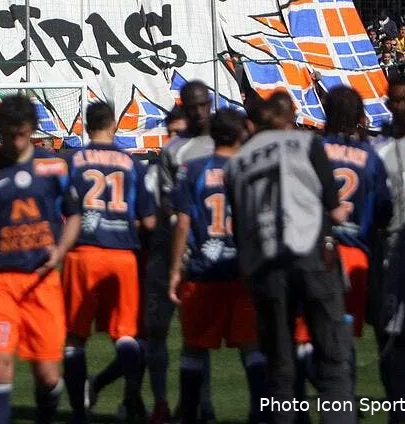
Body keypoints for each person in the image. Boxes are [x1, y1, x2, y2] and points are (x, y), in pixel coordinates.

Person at [225, 91, 354, 424]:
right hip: (311, 251)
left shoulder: (237, 161)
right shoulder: (305, 143)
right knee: (332, 361)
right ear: (288, 117)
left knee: (280, 369)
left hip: (266, 263)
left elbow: (238, 226)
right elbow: (332, 203)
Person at [0, 94, 83, 424]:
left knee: (48, 374)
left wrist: (60, 249)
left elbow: (75, 215)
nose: (16, 140)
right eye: (9, 134)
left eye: (23, 133)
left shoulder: (53, 166)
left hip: (42, 281)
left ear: (33, 130)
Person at [293, 87, 392, 405]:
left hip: (316, 249)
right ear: (360, 117)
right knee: (343, 334)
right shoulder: (371, 156)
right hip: (356, 252)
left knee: (305, 332)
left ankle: (315, 392)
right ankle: (342, 397)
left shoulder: (314, 149)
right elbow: (383, 208)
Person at [169, 108, 266, 424]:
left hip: (202, 270)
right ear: (241, 134)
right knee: (252, 347)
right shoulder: (252, 169)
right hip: (243, 272)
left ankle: (190, 412)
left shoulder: (192, 168)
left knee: (194, 348)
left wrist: (174, 269)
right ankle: (260, 412)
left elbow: (182, 222)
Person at [62, 102, 157, 424]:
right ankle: (132, 399)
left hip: (82, 254)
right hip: (122, 256)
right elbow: (149, 221)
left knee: (75, 338)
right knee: (127, 335)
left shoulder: (73, 161)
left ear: (87, 126)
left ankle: (78, 412)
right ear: (114, 125)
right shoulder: (131, 164)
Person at [142, 80, 215, 424]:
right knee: (155, 331)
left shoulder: (225, 143)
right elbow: (167, 206)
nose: (199, 112)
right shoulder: (173, 152)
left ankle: (205, 406)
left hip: (210, 258)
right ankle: (159, 402)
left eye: (204, 105)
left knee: (200, 338)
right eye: (193, 106)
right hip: (171, 252)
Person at [375, 79, 405, 424]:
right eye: (396, 101)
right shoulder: (380, 152)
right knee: (398, 341)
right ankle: (400, 411)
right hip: (396, 263)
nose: (402, 107)